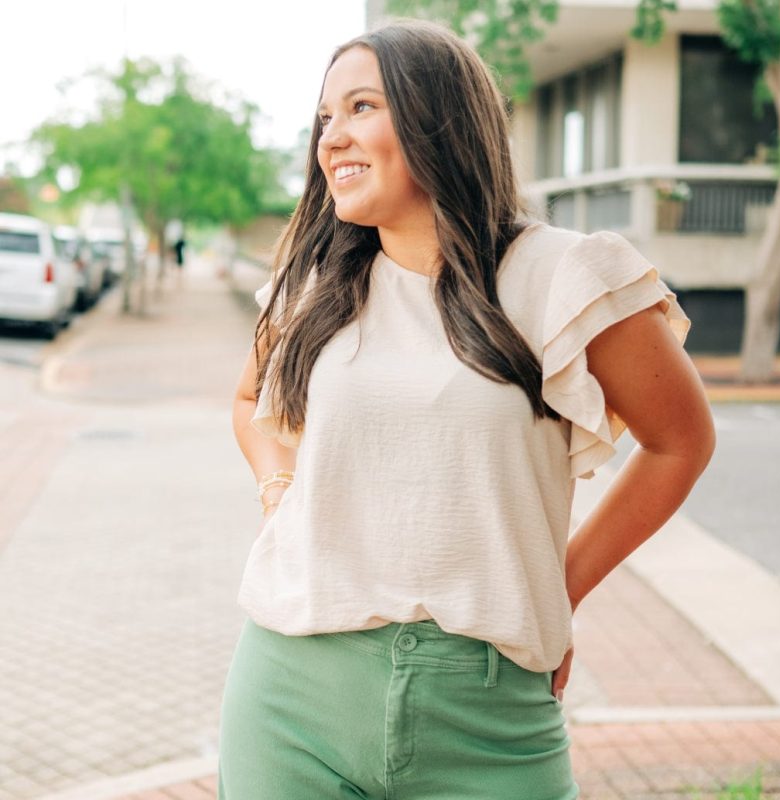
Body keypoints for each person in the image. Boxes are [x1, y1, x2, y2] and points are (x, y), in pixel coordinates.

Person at [219, 20, 715, 800]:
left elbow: (680, 442)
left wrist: (564, 586)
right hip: (292, 691)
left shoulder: (565, 275)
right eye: (323, 119)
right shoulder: (317, 283)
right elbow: (251, 401)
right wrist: (276, 488)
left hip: (490, 716)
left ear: (436, 116)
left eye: (359, 108)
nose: (331, 138)